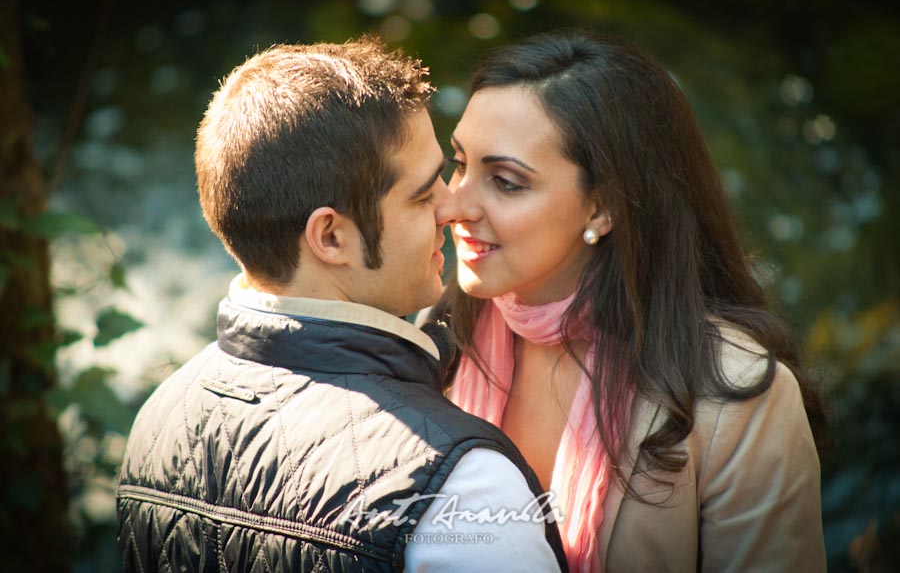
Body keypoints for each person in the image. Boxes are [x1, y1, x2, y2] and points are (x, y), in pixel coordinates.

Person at [115, 37, 567, 572]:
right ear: (330, 237)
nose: (454, 206)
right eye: (423, 195)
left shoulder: (159, 420)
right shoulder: (461, 491)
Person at [428, 30, 827, 572]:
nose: (454, 205)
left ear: (602, 208)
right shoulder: (434, 338)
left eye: (505, 181)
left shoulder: (735, 398)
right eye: (459, 163)